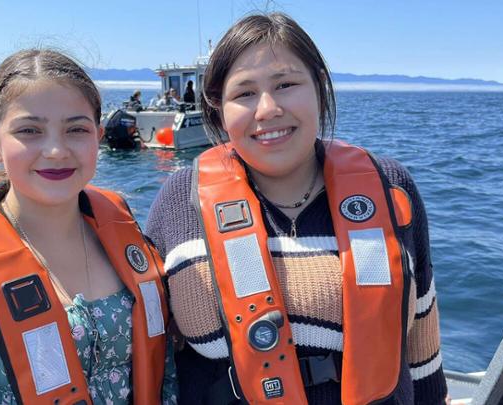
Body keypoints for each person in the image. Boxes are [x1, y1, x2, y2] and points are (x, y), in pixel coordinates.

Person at [145, 13, 446, 404]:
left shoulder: (391, 187)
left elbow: (422, 328)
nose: (267, 109)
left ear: (319, 88)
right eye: (245, 93)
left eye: (286, 84)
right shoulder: (179, 199)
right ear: (218, 107)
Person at [0, 49, 178, 405]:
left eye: (76, 129)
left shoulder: (128, 239)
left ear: (98, 137)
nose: (56, 150)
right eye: (30, 130)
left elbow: (165, 377)